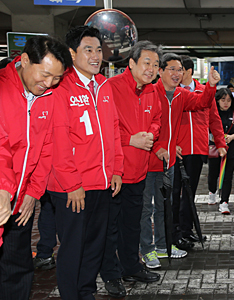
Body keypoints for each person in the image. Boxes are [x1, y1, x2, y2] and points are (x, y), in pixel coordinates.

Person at [47, 25, 124, 300]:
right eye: (88, 50)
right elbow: (58, 140)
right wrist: (72, 184)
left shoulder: (103, 85)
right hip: (72, 186)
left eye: (98, 50)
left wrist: (116, 169)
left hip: (102, 183)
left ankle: (86, 292)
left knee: (95, 245)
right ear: (72, 53)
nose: (95, 56)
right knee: (72, 247)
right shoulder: (60, 87)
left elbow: (113, 130)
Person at [0, 35, 71, 300]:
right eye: (45, 75)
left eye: (56, 78)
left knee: (17, 269)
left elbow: (46, 146)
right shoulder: (2, 90)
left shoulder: (49, 96)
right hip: (3, 195)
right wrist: (5, 191)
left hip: (21, 203)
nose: (49, 83)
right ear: (25, 60)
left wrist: (33, 192)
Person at [100, 40, 162, 298]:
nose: (151, 68)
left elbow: (157, 119)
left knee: (132, 225)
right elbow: (104, 127)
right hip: (115, 173)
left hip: (139, 171)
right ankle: (111, 275)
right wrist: (130, 140)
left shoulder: (152, 91)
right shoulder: (111, 88)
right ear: (132, 63)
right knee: (109, 228)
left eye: (156, 64)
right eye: (147, 62)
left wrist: (151, 133)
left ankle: (131, 266)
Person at [149, 53, 220, 251]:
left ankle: (171, 240)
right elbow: (148, 125)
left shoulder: (181, 94)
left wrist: (211, 86)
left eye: (179, 70)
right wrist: (162, 146)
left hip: (175, 156)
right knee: (152, 205)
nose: (177, 73)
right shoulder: (151, 93)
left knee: (177, 197)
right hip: (152, 158)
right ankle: (155, 247)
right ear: (160, 71)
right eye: (172, 69)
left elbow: (202, 103)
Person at [174, 55, 226, 238]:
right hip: (177, 150)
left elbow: (214, 119)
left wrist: (220, 143)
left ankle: (186, 230)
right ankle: (175, 230)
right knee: (175, 192)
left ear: (188, 71)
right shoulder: (172, 91)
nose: (176, 73)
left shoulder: (205, 91)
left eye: (179, 70)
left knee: (190, 192)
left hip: (197, 149)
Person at [208, 89, 234, 214]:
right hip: (215, 148)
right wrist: (216, 138)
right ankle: (212, 192)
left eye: (229, 100)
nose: (226, 103)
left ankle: (224, 202)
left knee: (227, 176)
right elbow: (205, 130)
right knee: (213, 173)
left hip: (232, 149)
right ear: (217, 100)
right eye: (223, 100)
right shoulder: (211, 112)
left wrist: (231, 137)